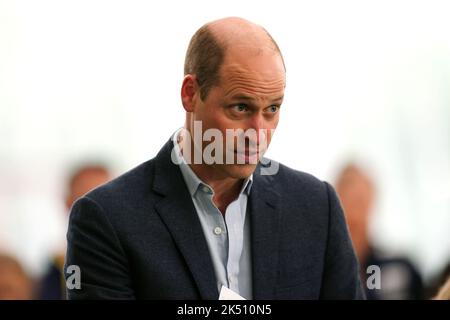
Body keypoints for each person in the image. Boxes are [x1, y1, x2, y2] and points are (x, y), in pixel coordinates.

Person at [65, 17, 364, 299]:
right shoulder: (107, 220)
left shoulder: (315, 208)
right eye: (241, 108)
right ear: (190, 94)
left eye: (272, 109)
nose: (258, 133)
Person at [335, 163, 424, 299]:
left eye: (361, 201)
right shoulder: (322, 270)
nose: (357, 211)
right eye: (351, 200)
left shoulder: (399, 267)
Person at [39, 163, 111, 299]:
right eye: (87, 203)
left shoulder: (139, 259)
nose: (99, 212)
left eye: (107, 202)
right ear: (67, 203)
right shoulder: (56, 270)